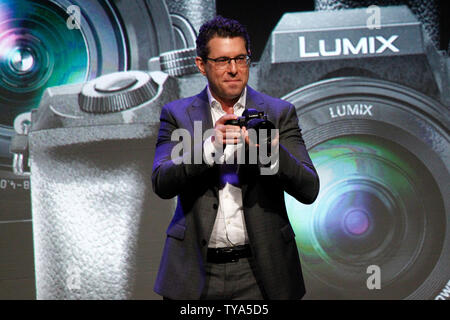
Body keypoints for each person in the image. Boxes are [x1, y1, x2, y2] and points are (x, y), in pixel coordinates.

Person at [152, 16, 319, 300]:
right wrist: (209, 149)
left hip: (261, 272)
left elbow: (308, 189)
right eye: (222, 60)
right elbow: (162, 182)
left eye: (240, 59)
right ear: (201, 65)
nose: (233, 70)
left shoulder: (279, 113)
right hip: (195, 272)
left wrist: (270, 154)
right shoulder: (177, 114)